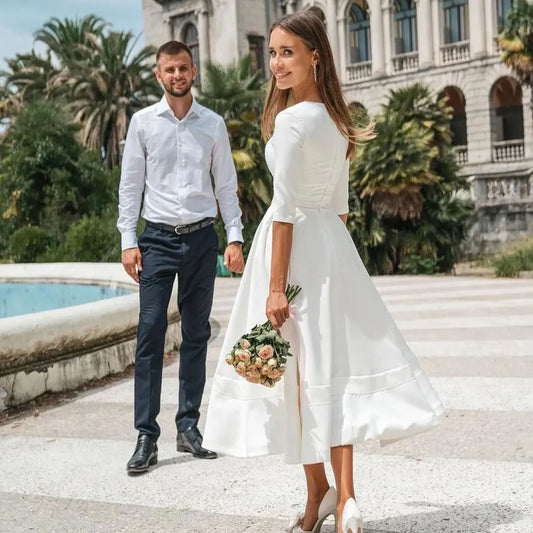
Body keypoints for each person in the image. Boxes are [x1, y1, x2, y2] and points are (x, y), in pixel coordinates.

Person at [202, 7, 444, 533]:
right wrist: (331, 265)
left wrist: (273, 287)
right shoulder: (339, 121)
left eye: (287, 53)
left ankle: (325, 495)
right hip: (330, 251)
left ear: (315, 56)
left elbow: (285, 209)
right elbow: (338, 207)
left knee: (289, 376)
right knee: (328, 373)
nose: (276, 64)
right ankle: (337, 498)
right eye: (272, 53)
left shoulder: (291, 122)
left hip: (287, 255)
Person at [117, 40, 245, 474]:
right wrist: (127, 240)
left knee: (195, 334)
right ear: (159, 74)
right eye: (169, 69)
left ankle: (188, 427)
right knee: (150, 334)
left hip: (201, 241)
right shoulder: (142, 123)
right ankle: (146, 437)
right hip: (155, 240)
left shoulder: (212, 124)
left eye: (183, 69)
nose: (177, 76)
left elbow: (226, 184)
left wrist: (235, 237)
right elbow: (130, 185)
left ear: (194, 72)